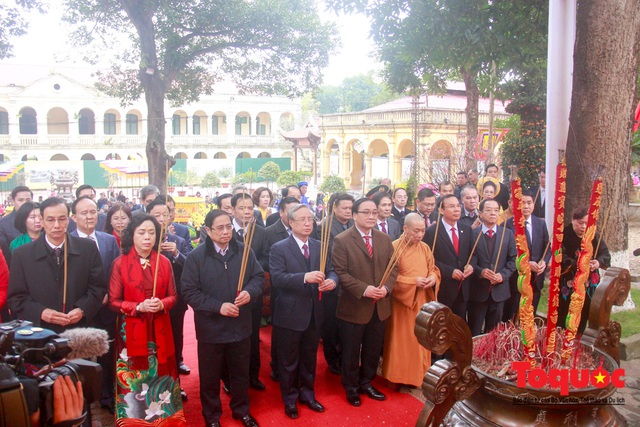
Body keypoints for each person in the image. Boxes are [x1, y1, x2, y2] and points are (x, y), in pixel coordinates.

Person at [182, 210, 263, 427]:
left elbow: (258, 277)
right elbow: (189, 292)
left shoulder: (244, 251)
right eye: (220, 228)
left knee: (240, 373)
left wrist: (250, 292)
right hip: (211, 328)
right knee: (209, 377)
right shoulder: (196, 257)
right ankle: (212, 417)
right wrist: (218, 307)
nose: (226, 232)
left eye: (228, 226)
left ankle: (241, 410)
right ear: (208, 231)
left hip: (240, 325)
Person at [108, 214, 184, 423]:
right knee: (134, 378)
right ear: (132, 235)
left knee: (162, 371)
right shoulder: (119, 263)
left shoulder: (165, 262)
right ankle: (133, 421)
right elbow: (113, 301)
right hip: (131, 330)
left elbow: (174, 296)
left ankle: (166, 420)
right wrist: (138, 306)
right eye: (141, 232)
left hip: (160, 327)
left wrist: (162, 304)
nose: (147, 237)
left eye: (152, 232)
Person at [270, 204, 338, 419]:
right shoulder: (279, 248)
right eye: (302, 220)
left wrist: (332, 282)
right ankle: (290, 399)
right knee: (289, 361)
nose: (308, 223)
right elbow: (277, 278)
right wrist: (304, 277)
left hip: (315, 312)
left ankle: (307, 394)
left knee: (309, 358)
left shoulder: (320, 245)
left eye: (310, 219)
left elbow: (332, 270)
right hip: (290, 314)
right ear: (291, 223)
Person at [331, 197, 397, 407]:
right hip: (354, 305)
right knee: (351, 350)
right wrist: (364, 289)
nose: (371, 217)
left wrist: (386, 288)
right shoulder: (342, 240)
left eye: (374, 213)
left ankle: (366, 381)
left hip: (380, 306)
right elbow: (340, 272)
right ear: (354, 215)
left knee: (372, 348)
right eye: (366, 213)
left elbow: (393, 267)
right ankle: (351, 387)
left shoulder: (384, 239)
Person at [8, 197, 106, 333]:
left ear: (69, 219)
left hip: (80, 330)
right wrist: (41, 312)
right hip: (40, 332)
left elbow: (98, 288)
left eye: (62, 219)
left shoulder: (87, 248)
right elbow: (16, 298)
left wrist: (82, 309)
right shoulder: (23, 254)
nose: (57, 225)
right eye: (50, 220)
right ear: (41, 221)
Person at [70, 195, 120, 411]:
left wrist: (110, 293)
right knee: (80, 354)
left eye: (93, 212)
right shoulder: (68, 241)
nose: (89, 216)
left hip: (107, 306)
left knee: (107, 354)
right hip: (80, 308)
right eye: (84, 213)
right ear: (74, 217)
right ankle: (81, 400)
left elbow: (116, 270)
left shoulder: (108, 240)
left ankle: (107, 396)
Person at [382, 213, 439, 388]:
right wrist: (412, 282)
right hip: (403, 302)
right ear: (405, 228)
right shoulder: (393, 247)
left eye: (422, 231)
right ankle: (396, 377)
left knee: (420, 340)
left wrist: (432, 278)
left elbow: (433, 269)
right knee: (401, 341)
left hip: (422, 301)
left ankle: (418, 376)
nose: (420, 235)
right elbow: (388, 277)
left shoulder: (425, 248)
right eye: (416, 231)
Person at [147, 196, 192, 395]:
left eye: (164, 215)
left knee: (174, 339)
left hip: (174, 301)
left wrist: (176, 254)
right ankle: (150, 383)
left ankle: (175, 385)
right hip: (148, 303)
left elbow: (191, 267)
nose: (161, 219)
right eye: (156, 215)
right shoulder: (143, 239)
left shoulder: (179, 241)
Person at [311, 192, 355, 375]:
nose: (348, 211)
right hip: (333, 280)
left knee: (347, 324)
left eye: (350, 208)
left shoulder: (354, 223)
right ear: (334, 207)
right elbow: (327, 256)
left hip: (352, 282)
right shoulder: (325, 227)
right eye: (344, 208)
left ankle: (346, 356)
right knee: (331, 325)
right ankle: (332, 359)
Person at [231, 192, 270, 391]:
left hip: (252, 292)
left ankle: (252, 375)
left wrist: (250, 266)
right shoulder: (224, 230)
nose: (246, 212)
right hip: (228, 295)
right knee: (230, 338)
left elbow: (265, 258)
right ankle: (229, 380)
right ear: (232, 210)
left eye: (249, 208)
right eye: (241, 208)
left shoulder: (261, 232)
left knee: (252, 336)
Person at [557, 207, 611, 334]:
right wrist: (580, 264)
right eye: (580, 223)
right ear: (573, 221)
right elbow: (560, 257)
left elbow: (605, 254)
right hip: (569, 280)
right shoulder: (563, 235)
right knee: (566, 311)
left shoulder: (593, 235)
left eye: (586, 223)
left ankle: (580, 337)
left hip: (589, 282)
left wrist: (597, 263)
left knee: (585, 310)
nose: (583, 227)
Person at [264, 196, 301, 382]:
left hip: (303, 289)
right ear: (281, 212)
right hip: (281, 290)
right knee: (281, 332)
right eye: (291, 211)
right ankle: (277, 366)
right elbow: (262, 259)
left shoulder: (308, 231)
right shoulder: (270, 233)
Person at [468, 199, 517, 336]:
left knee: (494, 333)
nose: (493, 213)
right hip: (478, 291)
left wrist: (503, 275)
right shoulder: (472, 234)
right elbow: (468, 259)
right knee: (475, 331)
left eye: (496, 210)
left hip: (499, 291)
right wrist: (480, 272)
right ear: (480, 213)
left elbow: (513, 260)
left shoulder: (507, 234)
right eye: (489, 210)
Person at [424, 194, 474, 320]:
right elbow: (429, 260)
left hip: (463, 288)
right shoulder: (432, 232)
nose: (457, 209)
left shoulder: (467, 229)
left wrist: (471, 265)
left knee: (460, 325)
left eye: (458, 206)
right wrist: (449, 271)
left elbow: (474, 254)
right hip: (443, 288)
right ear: (441, 210)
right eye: (452, 206)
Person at [504, 190, 550, 320]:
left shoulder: (540, 223)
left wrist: (544, 262)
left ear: (533, 205)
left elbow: (547, 247)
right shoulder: (507, 225)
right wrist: (525, 263)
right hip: (516, 279)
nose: (525, 206)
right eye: (522, 203)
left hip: (536, 279)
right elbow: (507, 252)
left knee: (531, 315)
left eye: (529, 203)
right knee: (512, 316)